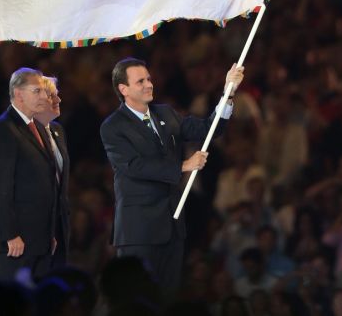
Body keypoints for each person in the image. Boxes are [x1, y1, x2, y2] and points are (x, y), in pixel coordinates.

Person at [100, 58, 244, 292]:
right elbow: (133, 166)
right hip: (140, 229)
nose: (149, 84)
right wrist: (182, 166)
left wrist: (227, 93)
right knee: (136, 297)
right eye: (140, 81)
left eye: (148, 79)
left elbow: (209, 129)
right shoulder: (113, 126)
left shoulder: (166, 113)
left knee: (166, 297)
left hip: (172, 226)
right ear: (123, 89)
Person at [0, 67, 62, 280]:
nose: (44, 97)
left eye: (44, 92)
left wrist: (48, 233)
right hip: (16, 243)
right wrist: (10, 234)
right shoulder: (3, 129)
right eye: (37, 91)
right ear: (18, 94)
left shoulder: (36, 128)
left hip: (39, 240)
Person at [35, 76, 70, 269]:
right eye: (52, 96)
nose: (59, 100)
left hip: (59, 225)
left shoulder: (58, 131)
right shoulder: (19, 134)